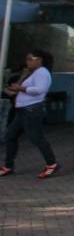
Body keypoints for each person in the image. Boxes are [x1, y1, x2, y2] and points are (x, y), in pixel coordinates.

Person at [1, 49, 59, 179]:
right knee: (10, 135)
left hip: (31, 110)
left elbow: (40, 90)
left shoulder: (42, 73)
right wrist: (16, 89)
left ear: (39, 60)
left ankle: (52, 163)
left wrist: (21, 88)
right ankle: (8, 165)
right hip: (23, 110)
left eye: (30, 59)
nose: (27, 62)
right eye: (27, 59)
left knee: (36, 138)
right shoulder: (32, 73)